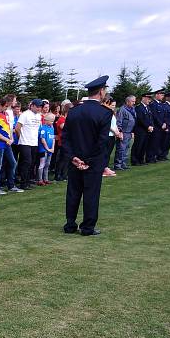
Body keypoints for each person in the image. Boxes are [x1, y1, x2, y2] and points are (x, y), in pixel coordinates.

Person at [62, 75, 114, 236]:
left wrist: (73, 158)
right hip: (93, 161)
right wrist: (89, 161)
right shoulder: (104, 113)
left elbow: (66, 138)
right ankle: (87, 227)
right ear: (101, 91)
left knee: (73, 192)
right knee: (91, 194)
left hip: (75, 160)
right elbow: (102, 141)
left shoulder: (74, 111)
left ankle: (70, 224)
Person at [14, 99, 43, 190]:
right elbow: (17, 128)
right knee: (26, 162)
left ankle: (28, 181)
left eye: (40, 107)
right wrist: (21, 138)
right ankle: (23, 183)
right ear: (32, 106)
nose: (39, 108)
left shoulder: (38, 116)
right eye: (37, 106)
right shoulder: (25, 114)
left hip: (34, 142)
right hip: (25, 142)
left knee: (32, 163)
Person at [0, 97, 16, 194]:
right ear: (2, 104)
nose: (7, 108)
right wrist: (6, 139)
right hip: (0, 144)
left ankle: (11, 185)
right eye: (6, 106)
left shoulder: (5, 114)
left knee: (12, 163)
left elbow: (8, 128)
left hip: (7, 143)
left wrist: (11, 138)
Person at [131, 93, 154, 166]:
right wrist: (148, 126)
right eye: (148, 99)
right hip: (140, 130)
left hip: (147, 130)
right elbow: (140, 119)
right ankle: (135, 160)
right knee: (138, 145)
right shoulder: (138, 107)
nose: (149, 100)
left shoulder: (148, 107)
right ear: (143, 98)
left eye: (150, 99)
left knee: (144, 145)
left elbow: (151, 118)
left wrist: (152, 126)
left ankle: (141, 159)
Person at [114, 96, 135, 171]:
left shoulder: (132, 109)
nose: (134, 103)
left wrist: (132, 131)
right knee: (121, 149)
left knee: (126, 148)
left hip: (129, 132)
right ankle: (118, 164)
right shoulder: (122, 110)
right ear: (127, 102)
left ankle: (123, 163)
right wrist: (120, 132)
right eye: (132, 101)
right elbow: (119, 122)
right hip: (124, 132)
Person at [146, 88, 167, 163]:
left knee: (157, 143)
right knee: (153, 143)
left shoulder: (160, 104)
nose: (162, 96)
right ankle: (150, 158)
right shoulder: (153, 104)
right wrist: (161, 124)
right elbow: (154, 116)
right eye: (161, 95)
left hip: (161, 127)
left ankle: (154, 157)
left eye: (163, 95)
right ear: (157, 95)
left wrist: (164, 123)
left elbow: (164, 115)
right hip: (156, 127)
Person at [53, 102, 71, 181]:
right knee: (61, 160)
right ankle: (58, 175)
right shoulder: (61, 119)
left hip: (67, 142)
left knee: (66, 159)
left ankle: (64, 175)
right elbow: (66, 129)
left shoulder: (66, 119)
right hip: (62, 142)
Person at [37, 113, 56, 185]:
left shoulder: (52, 128)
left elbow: (53, 138)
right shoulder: (43, 128)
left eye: (53, 121)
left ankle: (46, 179)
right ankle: (40, 180)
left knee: (47, 164)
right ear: (46, 120)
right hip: (43, 150)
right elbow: (42, 139)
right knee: (42, 164)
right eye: (51, 121)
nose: (52, 122)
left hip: (50, 150)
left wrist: (53, 148)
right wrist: (47, 148)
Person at [160, 91, 170, 161]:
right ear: (167, 98)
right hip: (166, 128)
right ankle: (161, 156)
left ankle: (165, 155)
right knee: (164, 142)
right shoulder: (164, 106)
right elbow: (164, 118)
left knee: (168, 143)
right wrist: (166, 127)